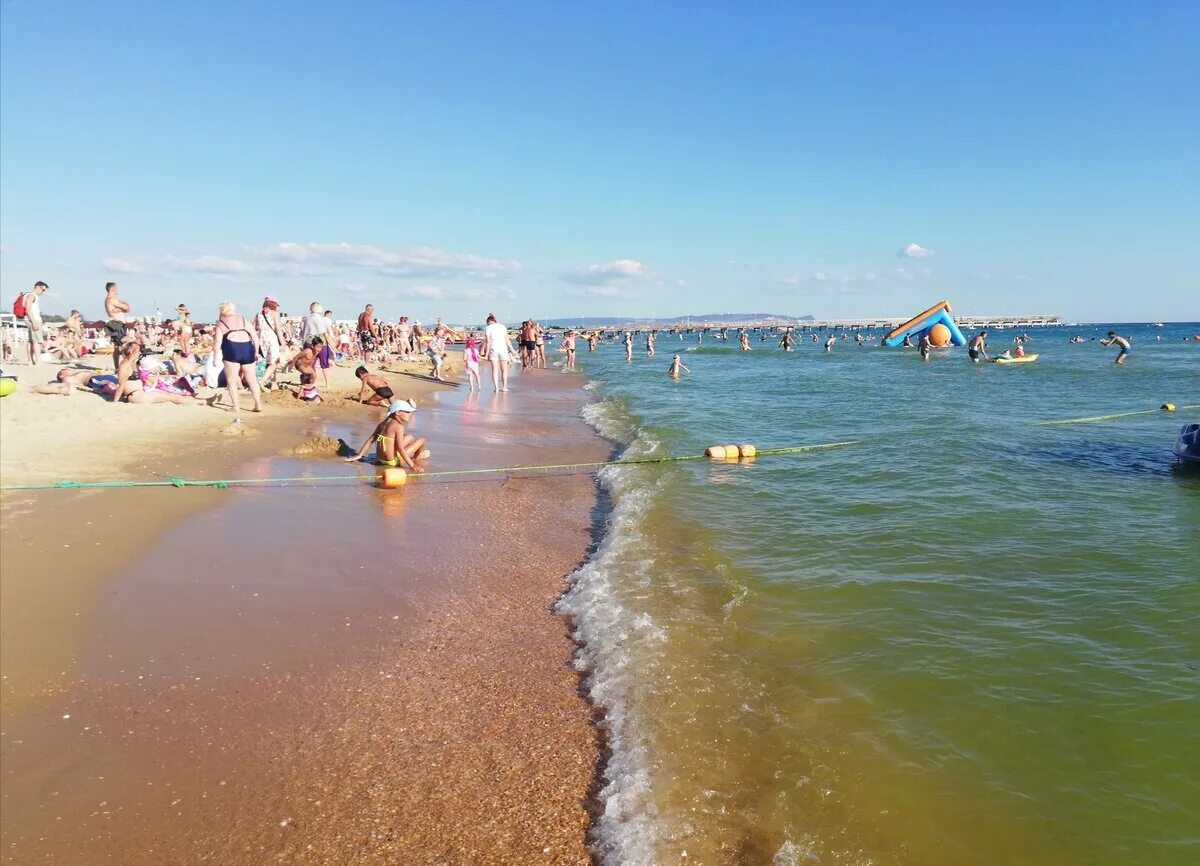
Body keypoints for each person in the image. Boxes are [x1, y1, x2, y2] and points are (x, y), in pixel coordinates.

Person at [213, 301, 262, 421]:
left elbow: (217, 342)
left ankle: (236, 406)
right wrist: (256, 351)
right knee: (252, 380)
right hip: (247, 348)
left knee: (231, 380)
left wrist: (215, 358)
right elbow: (255, 336)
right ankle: (258, 404)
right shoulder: (243, 319)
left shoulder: (221, 323)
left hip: (231, 348)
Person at [344, 399, 426, 471]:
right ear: (397, 412)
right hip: (392, 462)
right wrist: (412, 465)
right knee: (422, 440)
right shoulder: (399, 427)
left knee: (410, 437)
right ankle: (416, 458)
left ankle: (414, 455)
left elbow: (371, 440)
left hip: (380, 459)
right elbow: (400, 448)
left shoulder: (383, 424)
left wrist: (359, 455)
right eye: (408, 412)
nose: (410, 414)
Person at [255, 296, 287, 389]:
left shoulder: (258, 314)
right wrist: (283, 343)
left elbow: (254, 328)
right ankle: (262, 381)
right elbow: (278, 329)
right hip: (271, 339)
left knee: (270, 362)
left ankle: (274, 383)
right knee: (274, 362)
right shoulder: (274, 313)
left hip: (261, 339)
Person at [16, 281, 48, 364]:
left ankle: (30, 360)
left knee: (31, 341)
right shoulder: (31, 295)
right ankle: (37, 360)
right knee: (36, 341)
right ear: (38, 287)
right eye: (43, 290)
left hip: (29, 319)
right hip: (33, 319)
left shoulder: (28, 295)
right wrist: (33, 322)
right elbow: (28, 309)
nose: (43, 292)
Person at [483, 314, 513, 392]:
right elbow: (507, 340)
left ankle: (496, 388)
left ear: (488, 322)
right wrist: (512, 350)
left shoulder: (487, 328)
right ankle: (504, 387)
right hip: (503, 349)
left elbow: (488, 342)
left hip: (493, 350)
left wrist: (486, 354)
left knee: (494, 370)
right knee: (504, 369)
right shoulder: (502, 327)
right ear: (495, 321)